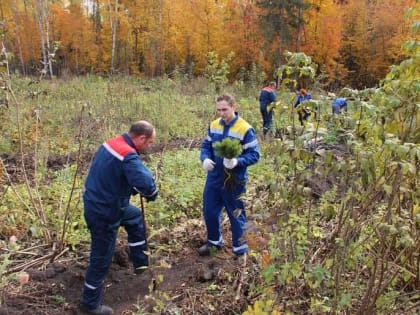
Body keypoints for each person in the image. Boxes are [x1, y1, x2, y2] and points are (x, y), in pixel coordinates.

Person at [80, 121, 159, 315]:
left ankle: (141, 263)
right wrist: (152, 192)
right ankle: (90, 305)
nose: (150, 146)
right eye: (150, 143)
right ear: (141, 138)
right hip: (104, 211)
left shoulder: (111, 143)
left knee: (135, 218)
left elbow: (113, 175)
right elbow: (146, 184)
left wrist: (129, 187)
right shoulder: (128, 155)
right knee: (101, 257)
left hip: (107, 202)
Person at [199, 94, 260, 257]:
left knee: (236, 213)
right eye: (218, 110)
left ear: (234, 107)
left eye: (225, 109)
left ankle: (240, 250)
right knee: (210, 211)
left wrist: (236, 162)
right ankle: (214, 243)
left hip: (234, 179)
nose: (221, 113)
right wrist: (204, 158)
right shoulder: (214, 125)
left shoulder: (245, 129)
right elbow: (206, 146)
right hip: (214, 177)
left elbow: (254, 155)